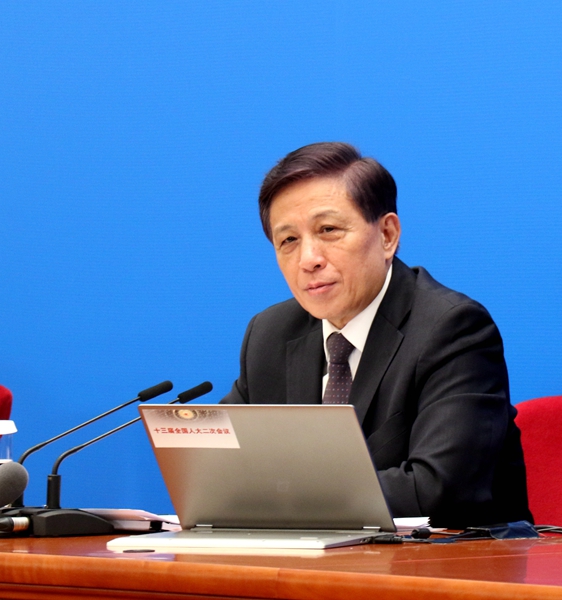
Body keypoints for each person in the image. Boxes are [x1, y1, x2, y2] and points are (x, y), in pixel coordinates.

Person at [221, 142, 532, 528]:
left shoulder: (452, 328)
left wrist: (285, 496)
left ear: (387, 235)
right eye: (288, 241)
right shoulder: (270, 333)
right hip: (308, 556)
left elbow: (441, 489)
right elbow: (223, 470)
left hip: (446, 558)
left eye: (328, 230)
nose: (308, 259)